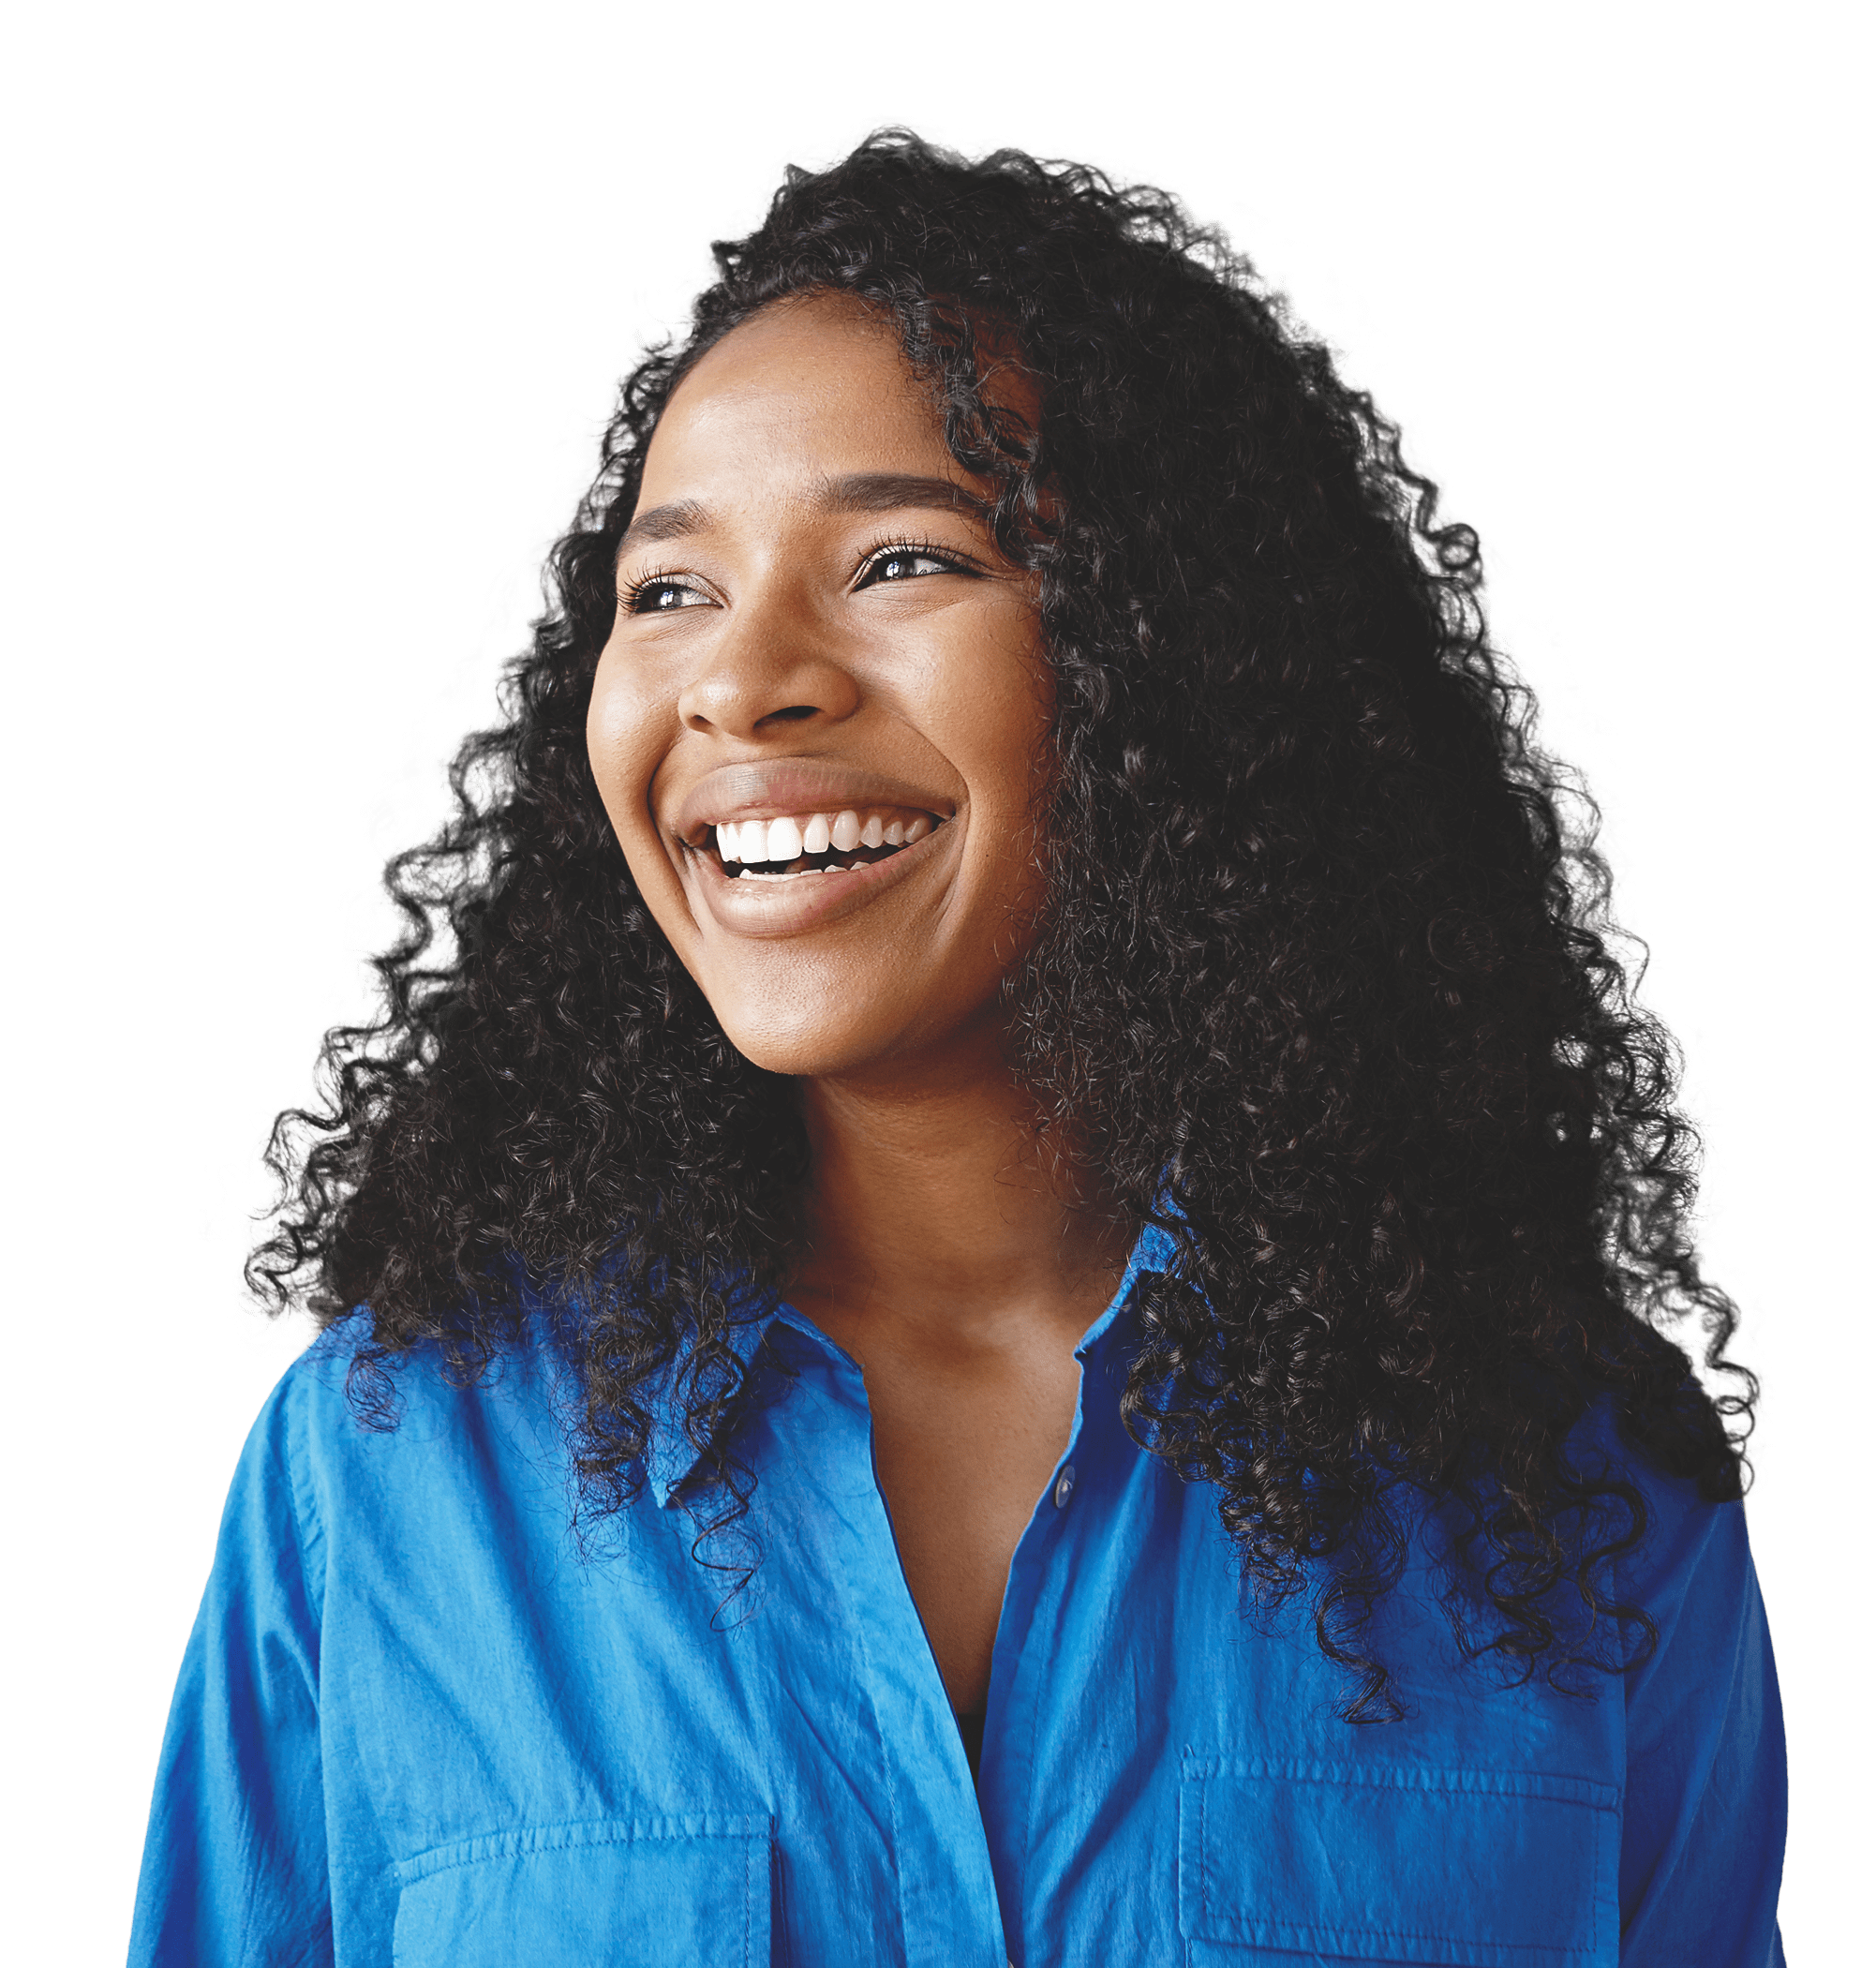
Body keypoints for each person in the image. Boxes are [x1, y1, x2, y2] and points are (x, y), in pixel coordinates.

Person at [129, 117, 1786, 1966]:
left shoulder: (1579, 1484)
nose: (747, 680)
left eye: (901, 560)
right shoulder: (388, 1473)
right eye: (666, 590)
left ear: (1175, 659)